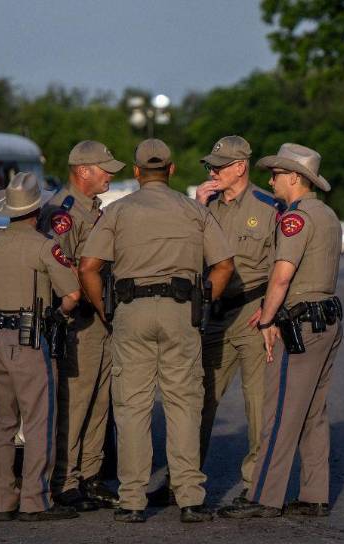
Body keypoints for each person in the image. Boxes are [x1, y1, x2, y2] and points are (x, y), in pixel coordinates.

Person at [78, 139, 234, 523]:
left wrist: (106, 311)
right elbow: (225, 264)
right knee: (184, 404)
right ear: (172, 170)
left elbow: (87, 267)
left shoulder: (118, 211)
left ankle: (131, 499)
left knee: (132, 407)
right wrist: (204, 301)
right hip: (182, 311)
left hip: (131, 312)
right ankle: (190, 498)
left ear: (135, 172)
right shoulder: (192, 210)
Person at [218, 143, 343, 519]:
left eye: (276, 174)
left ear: (295, 178)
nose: (270, 179)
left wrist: (268, 318)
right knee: (312, 412)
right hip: (327, 319)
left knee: (280, 413)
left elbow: (282, 275)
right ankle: (314, 494)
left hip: (301, 322)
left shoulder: (296, 217)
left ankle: (262, 496)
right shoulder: (328, 214)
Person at [0, 172, 82, 521]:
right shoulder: (44, 246)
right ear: (37, 210)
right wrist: (55, 318)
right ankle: (35, 500)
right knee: (37, 421)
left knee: (2, 422)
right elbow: (73, 295)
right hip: (29, 338)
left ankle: (3, 501)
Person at [193, 135, 284, 504]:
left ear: (240, 167)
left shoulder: (269, 207)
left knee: (257, 404)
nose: (213, 172)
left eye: (220, 166)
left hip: (252, 312)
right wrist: (197, 207)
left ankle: (255, 485)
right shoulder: (206, 206)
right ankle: (185, 482)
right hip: (214, 315)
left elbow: (286, 264)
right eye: (211, 166)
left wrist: (273, 312)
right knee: (197, 399)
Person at [39, 140, 125, 511]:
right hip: (80, 320)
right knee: (74, 403)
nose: (110, 174)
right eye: (104, 168)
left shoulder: (93, 210)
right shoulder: (63, 212)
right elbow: (62, 268)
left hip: (102, 316)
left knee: (100, 401)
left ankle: (91, 475)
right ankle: (66, 479)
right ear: (83, 170)